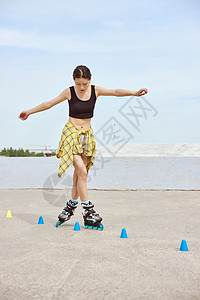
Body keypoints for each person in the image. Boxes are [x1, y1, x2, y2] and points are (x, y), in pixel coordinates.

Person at [19, 65, 148, 230]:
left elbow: (115, 92)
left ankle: (70, 206)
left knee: (79, 176)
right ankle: (88, 209)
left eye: (84, 84)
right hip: (71, 135)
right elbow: (49, 103)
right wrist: (29, 112)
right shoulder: (69, 92)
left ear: (90, 81)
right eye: (78, 83)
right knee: (82, 171)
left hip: (87, 136)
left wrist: (134, 93)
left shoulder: (96, 91)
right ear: (74, 81)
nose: (81, 87)